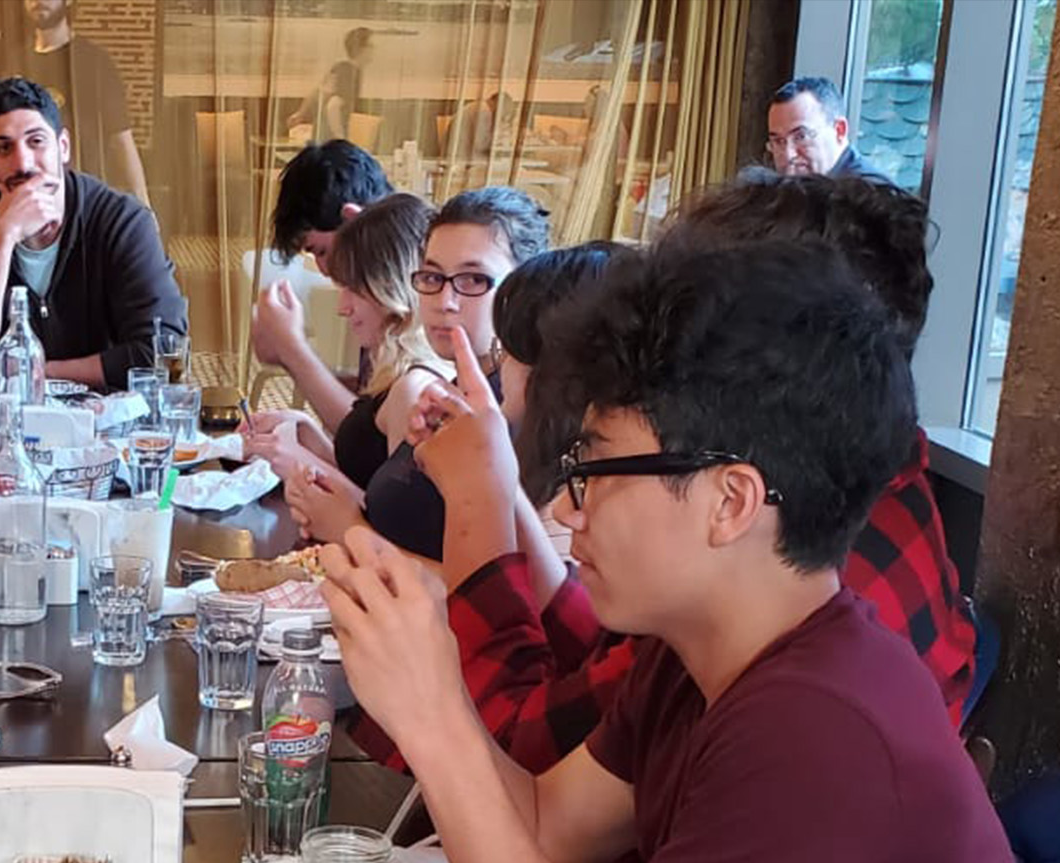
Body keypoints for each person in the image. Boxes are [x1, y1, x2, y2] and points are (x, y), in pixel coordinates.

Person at [320, 242, 1032, 863]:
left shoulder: (827, 724)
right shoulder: (696, 653)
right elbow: (547, 828)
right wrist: (430, 676)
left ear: (731, 500)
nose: (568, 512)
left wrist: (438, 718)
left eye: (598, 469)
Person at [375, 171, 976, 778]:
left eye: (685, 317)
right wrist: (497, 485)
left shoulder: (800, 596)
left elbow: (522, 752)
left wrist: (478, 502)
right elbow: (617, 678)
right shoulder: (867, 485)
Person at [285, 186, 549, 559]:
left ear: (523, 290)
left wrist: (347, 529)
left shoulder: (517, 411)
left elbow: (484, 593)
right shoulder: (454, 392)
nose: (445, 302)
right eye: (432, 277)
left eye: (473, 280)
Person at [0, 76, 186, 392]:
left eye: (36, 141)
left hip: (106, 422)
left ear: (63, 147)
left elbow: (161, 354)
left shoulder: (122, 222)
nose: (23, 163)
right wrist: (1, 236)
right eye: (3, 148)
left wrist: (38, 371)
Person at [245, 192, 439, 490]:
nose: (342, 307)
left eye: (353, 288)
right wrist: (307, 431)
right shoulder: (391, 366)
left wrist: (302, 463)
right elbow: (368, 476)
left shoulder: (414, 389)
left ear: (390, 285)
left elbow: (388, 523)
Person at [246, 138, 392, 433]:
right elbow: (371, 409)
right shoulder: (380, 293)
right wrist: (288, 356)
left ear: (353, 219)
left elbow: (366, 444)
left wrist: (292, 349)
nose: (326, 271)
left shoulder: (416, 300)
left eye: (321, 251)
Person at [14, 0, 149, 205]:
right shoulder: (17, 62)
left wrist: (144, 206)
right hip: (28, 201)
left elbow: (122, 140)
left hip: (82, 201)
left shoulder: (94, 63)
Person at [767, 76, 892, 182]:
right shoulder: (801, 187)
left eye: (801, 137)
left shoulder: (869, 199)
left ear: (839, 131)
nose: (789, 155)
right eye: (778, 141)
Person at [288, 26, 374, 145]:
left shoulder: (340, 67)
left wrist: (300, 114)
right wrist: (340, 139)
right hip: (330, 139)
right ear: (362, 48)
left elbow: (318, 91)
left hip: (321, 136)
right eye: (371, 45)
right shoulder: (351, 73)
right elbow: (333, 106)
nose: (374, 49)